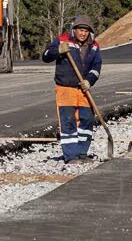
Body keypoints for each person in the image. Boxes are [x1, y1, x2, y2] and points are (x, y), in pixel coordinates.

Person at [41, 15, 103, 162]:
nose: (83, 34)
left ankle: (82, 152)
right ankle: (71, 156)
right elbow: (45, 56)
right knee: (68, 121)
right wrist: (58, 50)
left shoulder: (94, 46)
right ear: (74, 30)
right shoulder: (63, 40)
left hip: (83, 89)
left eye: (86, 31)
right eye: (80, 30)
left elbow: (96, 67)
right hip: (65, 89)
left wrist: (89, 81)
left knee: (87, 119)